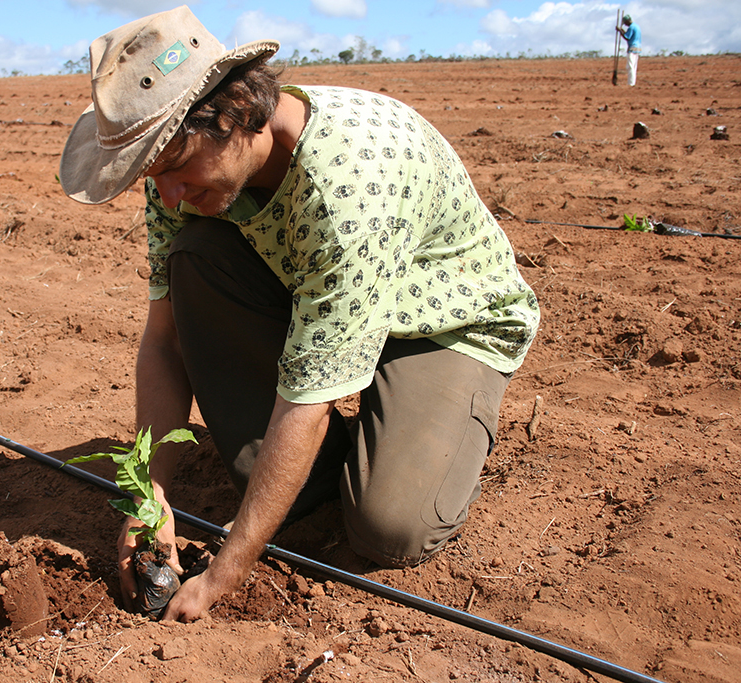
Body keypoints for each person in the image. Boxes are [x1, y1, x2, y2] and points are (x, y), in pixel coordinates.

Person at [59, 5, 539, 622]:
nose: (168, 195)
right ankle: (307, 479)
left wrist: (226, 571)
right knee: (196, 253)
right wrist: (148, 494)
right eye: (154, 175)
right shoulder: (177, 181)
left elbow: (308, 399)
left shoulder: (350, 181)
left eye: (176, 168)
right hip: (310, 286)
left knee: (389, 528)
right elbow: (164, 341)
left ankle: (412, 425)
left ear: (238, 115)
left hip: (437, 321)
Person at [618, 14, 641, 86]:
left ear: (627, 21)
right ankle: (632, 82)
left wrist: (620, 31)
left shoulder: (631, 27)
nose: (625, 25)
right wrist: (622, 31)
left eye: (625, 23)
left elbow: (627, 37)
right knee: (634, 66)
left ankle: (631, 83)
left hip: (632, 48)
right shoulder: (636, 26)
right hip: (638, 48)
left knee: (630, 67)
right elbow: (627, 35)